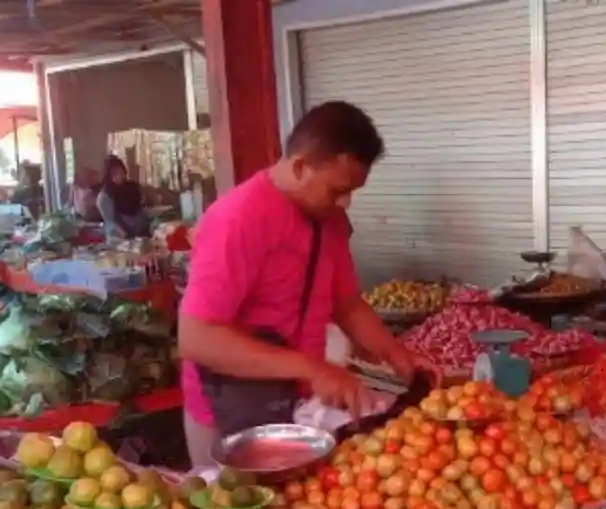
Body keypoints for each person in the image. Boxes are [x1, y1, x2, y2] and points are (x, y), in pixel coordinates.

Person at [178, 100, 435, 467]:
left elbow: (346, 303)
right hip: (227, 413)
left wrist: (398, 356)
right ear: (300, 167)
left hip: (295, 408)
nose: (345, 203)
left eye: (352, 192)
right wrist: (312, 369)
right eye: (337, 190)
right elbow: (196, 337)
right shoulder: (239, 220)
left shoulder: (327, 220)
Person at [98, 156, 151, 238]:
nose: (120, 176)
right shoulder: (104, 197)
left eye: (121, 173)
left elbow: (140, 208)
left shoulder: (131, 187)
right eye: (115, 174)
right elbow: (112, 221)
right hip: (120, 237)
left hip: (142, 233)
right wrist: (126, 236)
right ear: (108, 176)